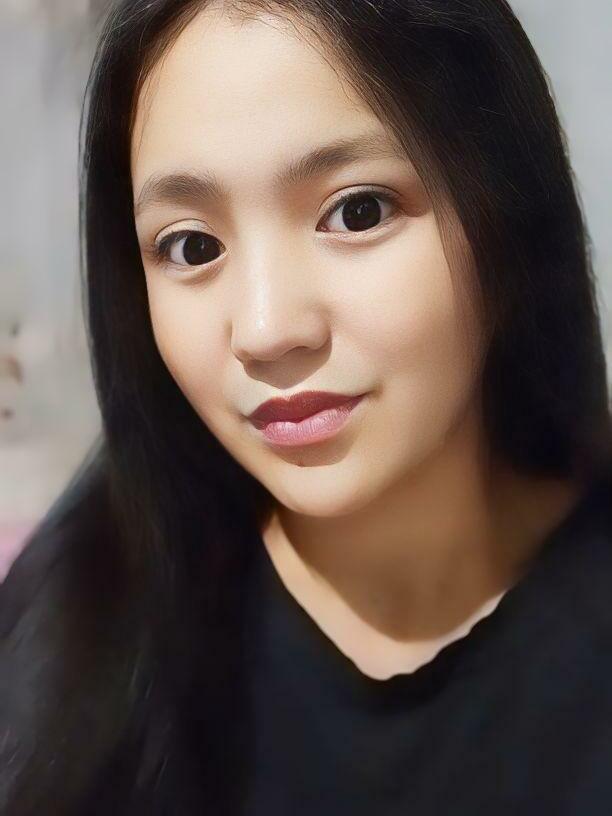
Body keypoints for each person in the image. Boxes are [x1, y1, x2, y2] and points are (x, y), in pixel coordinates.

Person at [1, 0, 611, 813]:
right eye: (191, 246)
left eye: (357, 212)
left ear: (505, 216)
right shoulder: (70, 620)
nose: (265, 331)